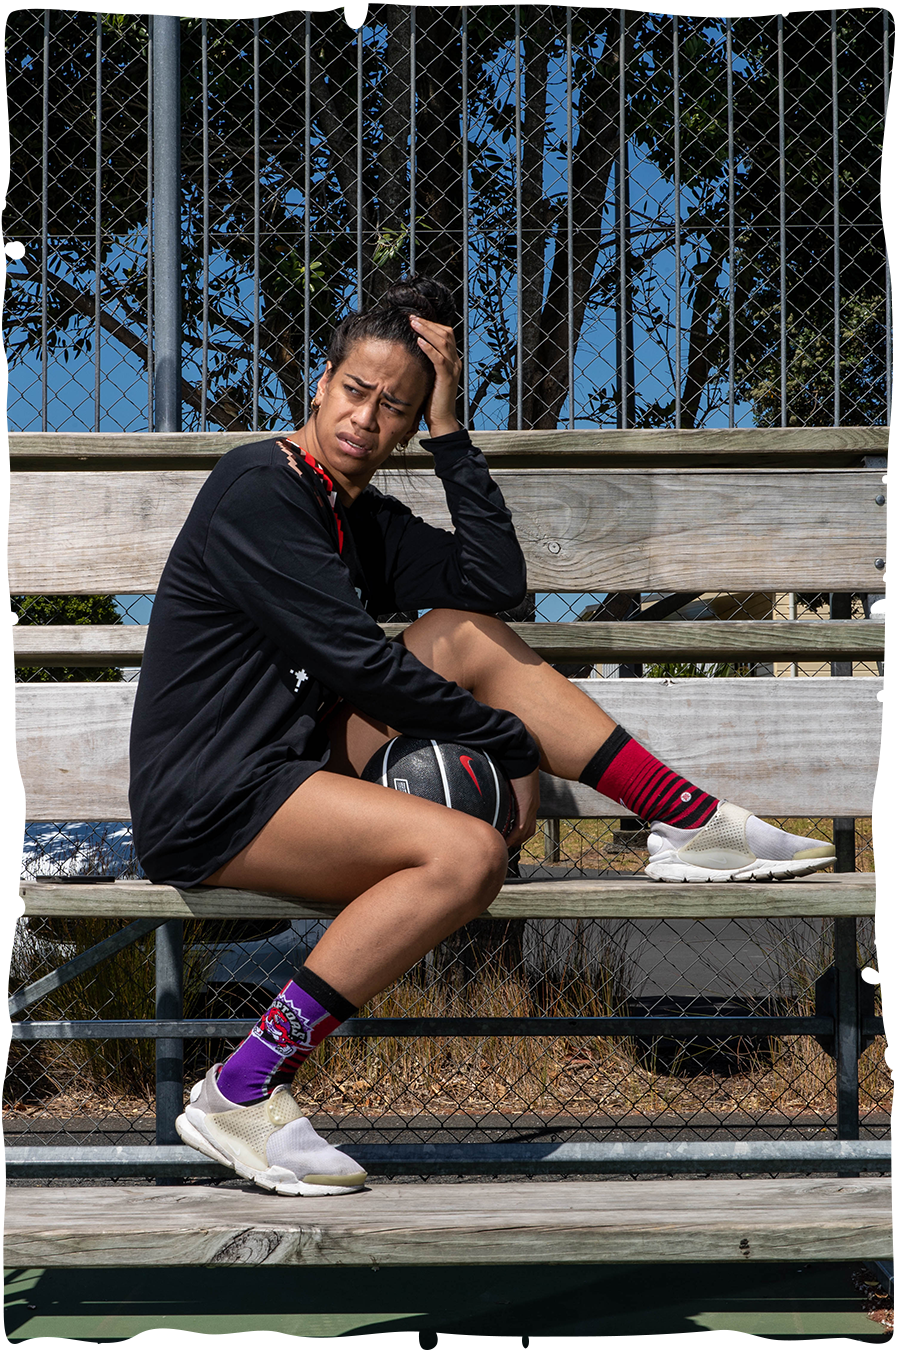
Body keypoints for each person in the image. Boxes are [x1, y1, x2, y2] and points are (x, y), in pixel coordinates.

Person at [128, 276, 835, 1198]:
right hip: (211, 795)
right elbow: (364, 667)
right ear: (319, 382)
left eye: (396, 407)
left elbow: (492, 583)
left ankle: (689, 819)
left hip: (286, 761)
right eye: (355, 391)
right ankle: (245, 1083)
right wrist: (511, 743)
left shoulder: (356, 517)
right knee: (467, 857)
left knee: (465, 634)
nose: (366, 421)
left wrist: (453, 434)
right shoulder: (259, 488)